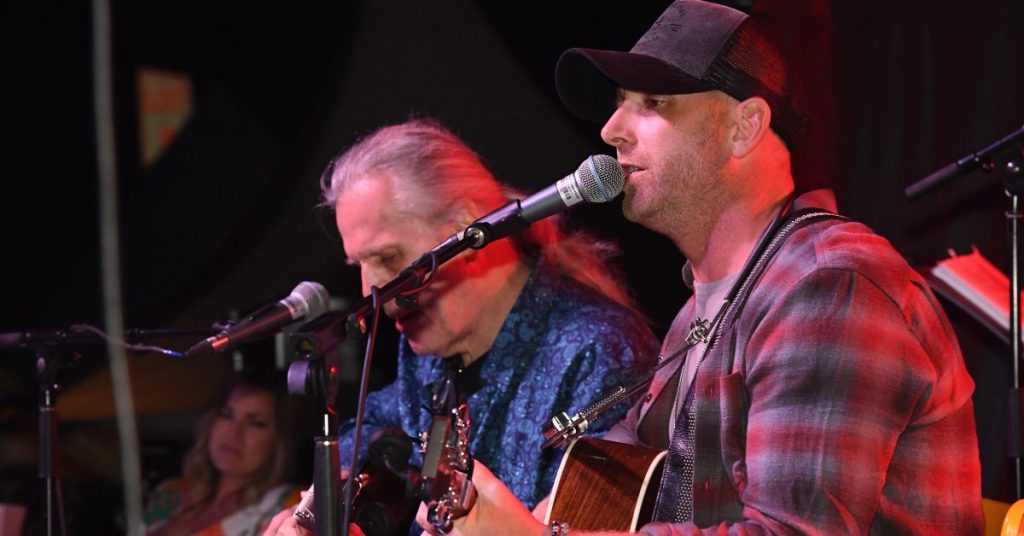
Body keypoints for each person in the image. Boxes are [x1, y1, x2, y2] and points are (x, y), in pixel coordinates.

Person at [424, 1, 984, 534]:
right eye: (621, 100)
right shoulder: (704, 306)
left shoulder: (830, 286)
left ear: (744, 127)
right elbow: (616, 477)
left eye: (652, 103)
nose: (611, 129)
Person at [264, 118, 660, 535]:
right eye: (359, 266)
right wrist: (318, 506)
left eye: (387, 257)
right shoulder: (427, 354)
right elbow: (369, 426)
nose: (371, 290)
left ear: (465, 228)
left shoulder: (601, 350)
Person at [144, 370, 303, 535]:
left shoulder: (289, 507)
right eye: (227, 415)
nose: (234, 434)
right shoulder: (170, 494)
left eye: (256, 423)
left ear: (279, 440)